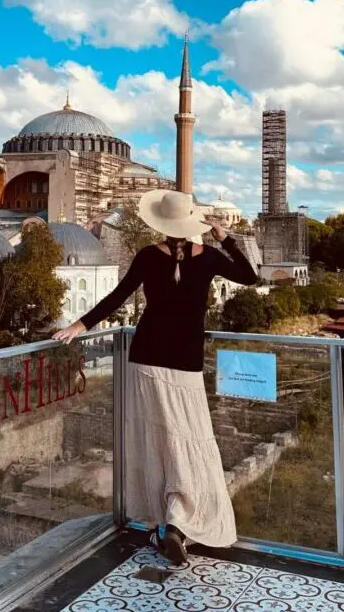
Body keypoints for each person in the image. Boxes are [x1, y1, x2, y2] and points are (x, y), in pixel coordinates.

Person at [53, 189, 258, 565]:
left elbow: (117, 296)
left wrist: (81, 325)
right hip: (186, 362)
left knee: (156, 440)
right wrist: (224, 237)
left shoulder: (149, 256)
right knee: (189, 438)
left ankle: (164, 521)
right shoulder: (209, 257)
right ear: (191, 223)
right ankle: (180, 521)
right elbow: (250, 276)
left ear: (162, 226)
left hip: (146, 357)